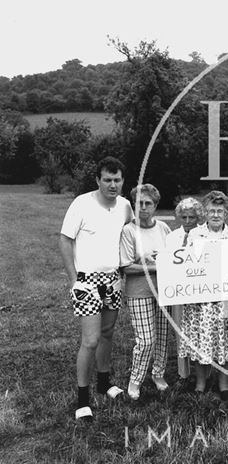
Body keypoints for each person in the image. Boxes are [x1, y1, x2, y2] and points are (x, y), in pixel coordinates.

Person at [60, 156, 133, 420]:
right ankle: (82, 399)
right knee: (90, 340)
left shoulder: (125, 206)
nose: (112, 185)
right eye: (107, 180)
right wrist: (73, 279)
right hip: (86, 282)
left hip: (113, 279)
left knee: (107, 333)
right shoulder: (82, 203)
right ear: (98, 180)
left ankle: (104, 384)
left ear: (123, 181)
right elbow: (65, 240)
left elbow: (131, 234)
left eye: (117, 180)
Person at [179, 191, 228, 399]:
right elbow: (186, 264)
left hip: (225, 297)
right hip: (202, 298)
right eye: (211, 210)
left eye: (220, 211)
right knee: (203, 340)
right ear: (205, 213)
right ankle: (201, 383)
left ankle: (223, 383)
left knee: (224, 341)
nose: (216, 215)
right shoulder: (195, 235)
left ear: (226, 213)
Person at [119, 184, 172, 400]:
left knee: (162, 337)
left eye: (147, 203)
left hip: (164, 291)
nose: (142, 207)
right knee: (146, 339)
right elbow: (127, 267)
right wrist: (155, 266)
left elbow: (172, 257)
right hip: (139, 292)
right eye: (138, 203)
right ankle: (136, 379)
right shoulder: (129, 231)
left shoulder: (163, 229)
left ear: (156, 206)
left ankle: (158, 374)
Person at [165, 198, 206, 380]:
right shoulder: (172, 237)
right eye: (184, 217)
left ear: (198, 217)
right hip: (178, 290)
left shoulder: (204, 236)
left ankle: (203, 371)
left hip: (199, 290)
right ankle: (183, 372)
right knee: (179, 329)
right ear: (179, 217)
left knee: (198, 331)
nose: (188, 221)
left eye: (192, 217)